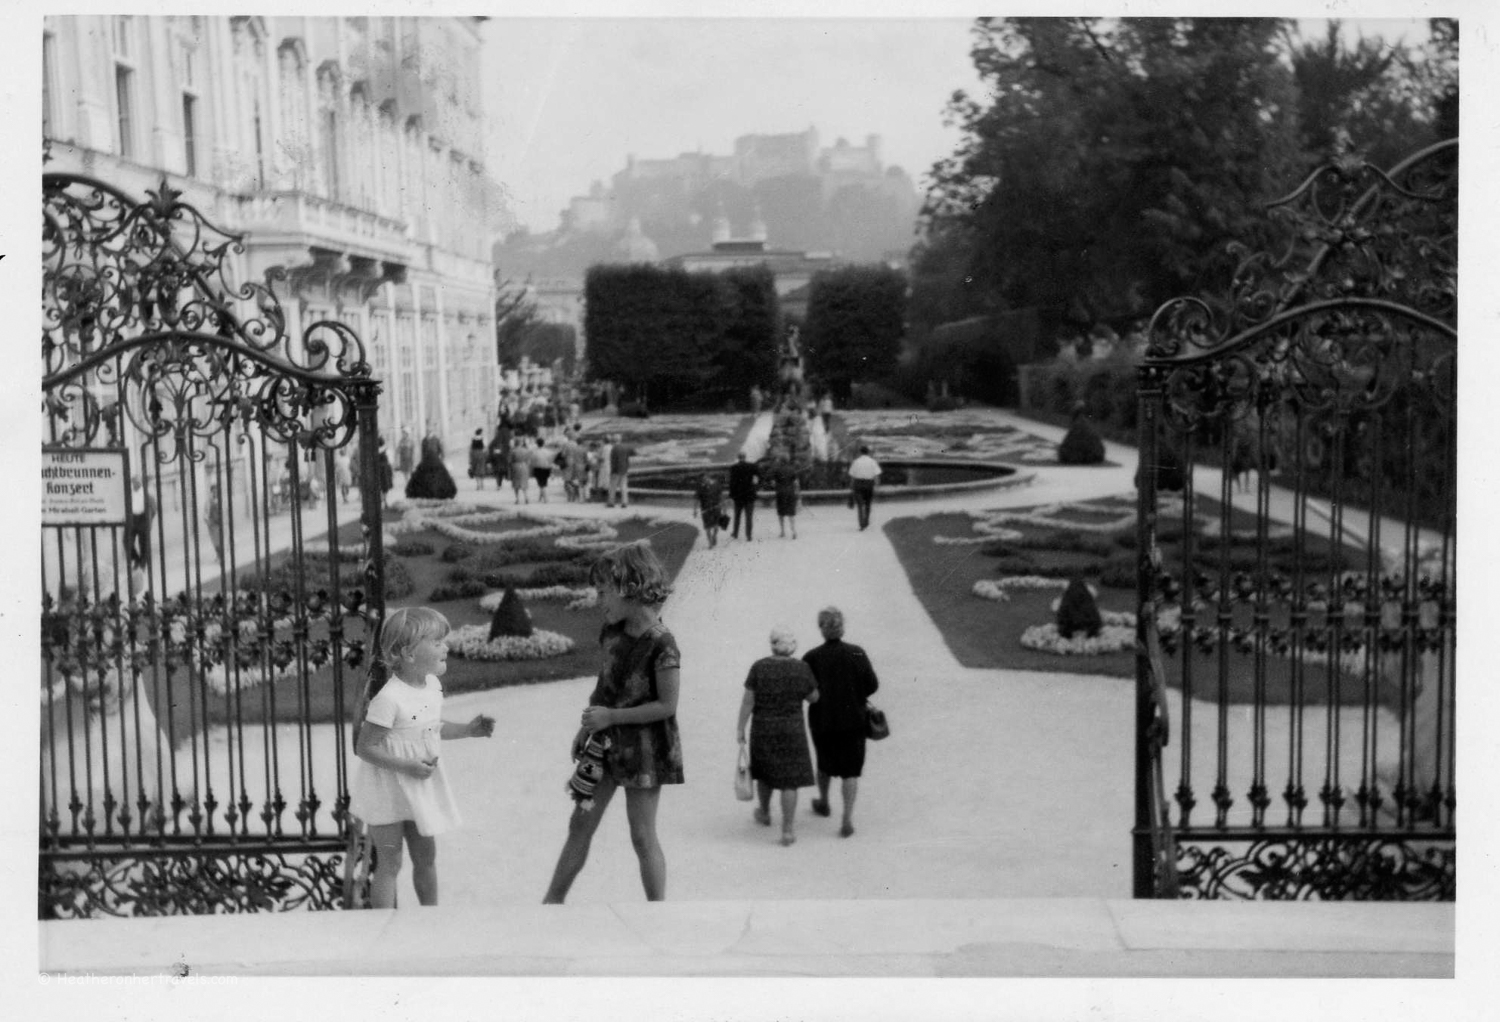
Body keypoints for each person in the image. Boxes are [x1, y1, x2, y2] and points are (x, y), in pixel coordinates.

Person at [543, 542, 683, 903]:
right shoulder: (612, 633)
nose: (598, 600)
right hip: (604, 745)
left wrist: (611, 717)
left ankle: (657, 911)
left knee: (642, 836)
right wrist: (588, 725)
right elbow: (605, 685)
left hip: (646, 749)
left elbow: (667, 706)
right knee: (580, 824)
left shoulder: (663, 644)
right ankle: (551, 903)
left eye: (603, 592)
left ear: (630, 588)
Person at [348, 607, 495, 908]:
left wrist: (468, 729)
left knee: (426, 857)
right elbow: (365, 748)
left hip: (418, 785)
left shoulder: (431, 687)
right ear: (409, 653)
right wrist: (407, 767)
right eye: (438, 642)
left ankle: (432, 920)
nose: (446, 647)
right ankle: (383, 930)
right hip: (387, 789)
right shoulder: (389, 699)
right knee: (390, 863)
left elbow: (431, 728)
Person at [736, 626, 819, 846]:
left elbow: (748, 701)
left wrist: (740, 728)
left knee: (764, 773)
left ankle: (764, 812)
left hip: (764, 729)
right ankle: (788, 830)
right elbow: (813, 698)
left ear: (772, 644)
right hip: (792, 730)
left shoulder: (759, 667)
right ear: (793, 646)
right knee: (789, 781)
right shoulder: (802, 668)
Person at [802, 606, 880, 838]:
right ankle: (846, 818)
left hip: (823, 720)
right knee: (850, 771)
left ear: (822, 629)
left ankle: (824, 802)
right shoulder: (857, 653)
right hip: (853, 720)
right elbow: (872, 685)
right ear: (842, 627)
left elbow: (806, 690)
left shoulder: (812, 657)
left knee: (824, 763)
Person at [727, 451, 761, 542]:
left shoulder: (733, 468)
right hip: (749, 494)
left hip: (738, 496)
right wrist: (756, 487)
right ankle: (748, 535)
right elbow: (761, 476)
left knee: (737, 516)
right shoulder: (752, 466)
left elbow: (731, 483)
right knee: (749, 516)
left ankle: (735, 533)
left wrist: (731, 495)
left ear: (738, 458)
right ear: (745, 457)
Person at [847, 445, 882, 531]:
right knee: (867, 504)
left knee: (859, 505)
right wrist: (877, 485)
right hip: (869, 484)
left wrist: (851, 486)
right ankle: (866, 520)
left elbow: (852, 476)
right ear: (868, 452)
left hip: (858, 484)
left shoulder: (856, 462)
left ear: (860, 452)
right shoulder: (873, 462)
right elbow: (876, 475)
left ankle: (861, 524)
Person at [125, 473, 155, 573]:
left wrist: (149, 519)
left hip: (143, 519)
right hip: (132, 519)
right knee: (127, 542)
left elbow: (153, 508)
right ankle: (136, 560)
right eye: (133, 482)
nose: (135, 484)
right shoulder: (129, 494)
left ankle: (142, 565)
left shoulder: (146, 494)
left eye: (137, 482)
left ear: (140, 482)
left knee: (144, 544)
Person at [692, 471, 725, 549]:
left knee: (716, 526)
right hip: (705, 509)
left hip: (716, 508)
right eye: (702, 479)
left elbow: (721, 496)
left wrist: (724, 507)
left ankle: (714, 536)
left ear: (708, 477)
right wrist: (695, 510)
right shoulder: (700, 488)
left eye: (705, 478)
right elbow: (696, 500)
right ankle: (710, 543)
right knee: (708, 527)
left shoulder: (716, 485)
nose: (704, 480)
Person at [770, 457, 799, 539]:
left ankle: (782, 531)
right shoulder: (792, 469)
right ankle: (793, 530)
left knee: (781, 513)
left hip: (780, 493)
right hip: (790, 493)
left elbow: (773, 483)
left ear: (780, 462)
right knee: (791, 513)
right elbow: (796, 483)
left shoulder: (777, 470)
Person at [607, 433, 635, 509]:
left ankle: (611, 502)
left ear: (614, 440)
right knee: (624, 486)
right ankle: (624, 502)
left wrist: (612, 470)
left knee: (613, 487)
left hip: (616, 470)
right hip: (624, 469)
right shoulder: (625, 447)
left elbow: (613, 461)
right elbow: (633, 453)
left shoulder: (614, 448)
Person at [529, 436, 555, 503]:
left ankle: (546, 498)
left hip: (538, 468)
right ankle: (540, 497)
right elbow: (551, 461)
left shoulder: (534, 452)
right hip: (547, 468)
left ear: (537, 444)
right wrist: (552, 471)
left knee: (541, 484)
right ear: (543, 443)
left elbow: (532, 462)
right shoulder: (549, 452)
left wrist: (531, 471)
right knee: (544, 483)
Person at [508, 439, 532, 504]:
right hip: (524, 466)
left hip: (515, 466)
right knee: (524, 483)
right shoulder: (526, 451)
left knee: (516, 483)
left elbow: (509, 461)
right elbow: (529, 461)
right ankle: (526, 497)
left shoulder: (512, 451)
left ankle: (517, 499)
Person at [376, 438, 395, 508]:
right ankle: (385, 500)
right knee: (385, 487)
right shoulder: (387, 450)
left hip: (378, 470)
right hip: (386, 470)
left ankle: (382, 500)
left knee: (380, 486)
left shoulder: (374, 451)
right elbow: (390, 461)